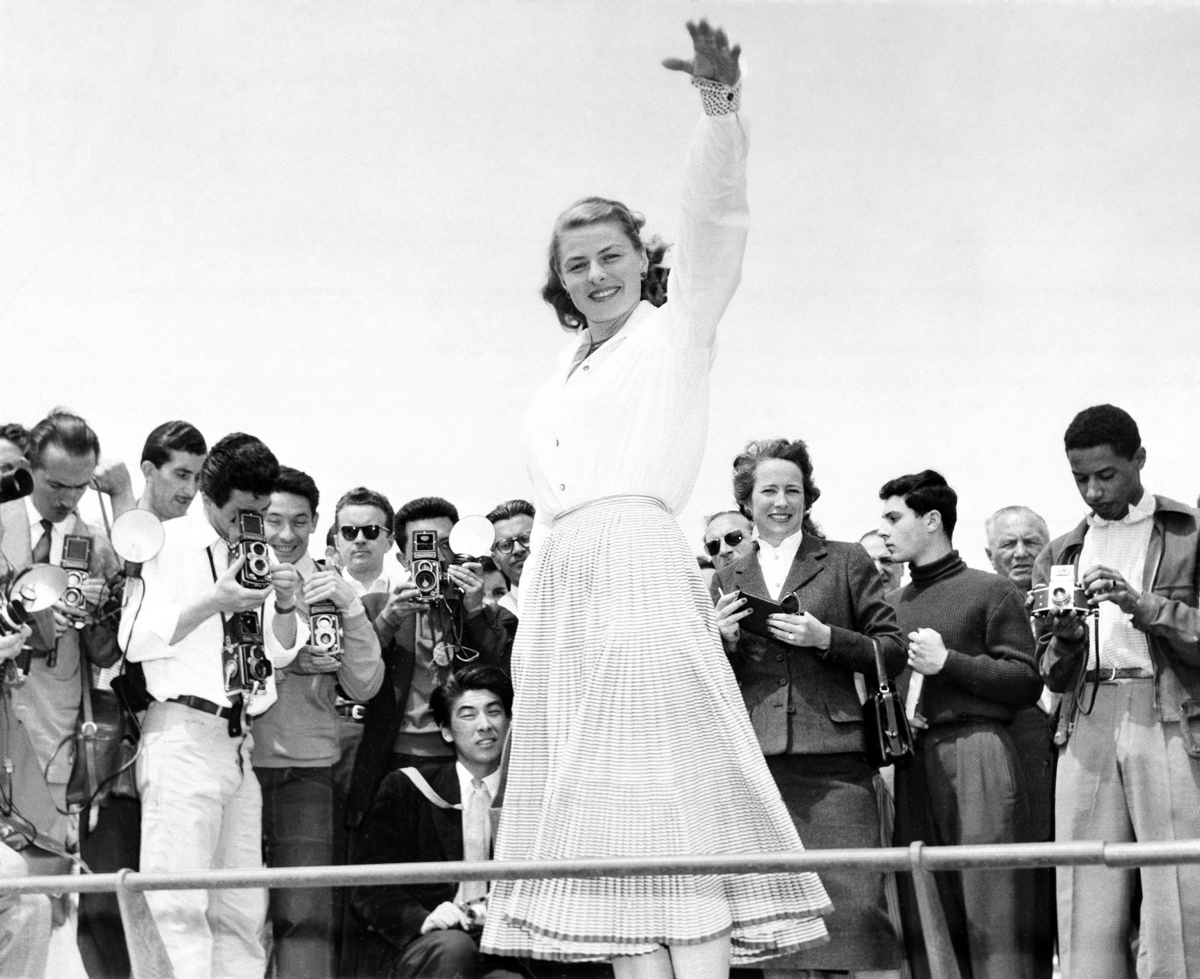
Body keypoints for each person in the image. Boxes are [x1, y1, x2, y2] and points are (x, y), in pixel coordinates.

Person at [482, 22, 832, 976]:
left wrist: (720, 113)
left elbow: (716, 222)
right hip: (562, 587)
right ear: (559, 282)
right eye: (577, 264)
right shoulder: (561, 369)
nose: (595, 275)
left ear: (642, 256)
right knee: (605, 829)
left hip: (637, 565)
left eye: (610, 255)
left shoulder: (678, 333)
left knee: (666, 799)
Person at [712, 439, 904, 979]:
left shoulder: (846, 560)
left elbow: (890, 649)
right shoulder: (727, 576)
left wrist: (827, 638)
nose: (780, 501)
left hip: (837, 763)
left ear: (808, 497)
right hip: (759, 768)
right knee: (778, 920)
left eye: (792, 490)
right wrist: (720, 644)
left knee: (856, 910)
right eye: (768, 490)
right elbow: (711, 682)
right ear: (747, 501)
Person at [122, 432, 304, 978]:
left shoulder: (258, 553)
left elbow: (279, 652)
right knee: (177, 910)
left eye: (261, 512)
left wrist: (288, 603)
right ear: (209, 493)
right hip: (181, 734)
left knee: (243, 913)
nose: (251, 524)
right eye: (242, 512)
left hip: (238, 741)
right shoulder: (165, 542)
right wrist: (214, 602)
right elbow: (133, 639)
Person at [1035, 404, 1200, 978]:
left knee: (1178, 890)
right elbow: (1049, 673)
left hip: (1168, 713)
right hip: (1086, 719)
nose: (1093, 491)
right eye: (1080, 478)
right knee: (1082, 892)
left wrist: (1144, 605)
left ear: (1139, 461)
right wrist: (1070, 638)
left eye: (1106, 475)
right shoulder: (1060, 552)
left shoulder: (1189, 533)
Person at [877, 471, 1041, 979]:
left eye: (893, 517)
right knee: (926, 908)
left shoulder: (990, 591)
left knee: (995, 907)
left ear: (930, 521)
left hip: (979, 754)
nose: (883, 531)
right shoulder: (891, 607)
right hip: (912, 763)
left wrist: (949, 662)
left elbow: (1025, 681)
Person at [254, 467, 384, 979]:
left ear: (315, 525)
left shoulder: (330, 587)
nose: (286, 535)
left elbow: (365, 685)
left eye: (300, 522)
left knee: (303, 915)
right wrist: (284, 660)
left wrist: (350, 608)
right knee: (235, 916)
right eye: (273, 520)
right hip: (237, 761)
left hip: (306, 767)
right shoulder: (233, 573)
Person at [349, 666, 521, 979]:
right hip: (431, 944)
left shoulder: (528, 799)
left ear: (509, 723)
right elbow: (368, 886)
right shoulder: (408, 789)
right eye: (468, 715)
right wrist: (422, 918)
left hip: (504, 946)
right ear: (445, 730)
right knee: (453, 948)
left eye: (494, 712)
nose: (484, 725)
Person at [983, 505, 1056, 979]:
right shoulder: (982, 605)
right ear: (988, 554)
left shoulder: (1070, 599)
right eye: (1008, 544)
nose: (1021, 553)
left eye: (1031, 542)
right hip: (1011, 750)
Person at [137, 420, 208, 521]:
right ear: (149, 471)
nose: (191, 491)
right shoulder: (110, 529)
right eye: (182, 475)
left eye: (198, 478)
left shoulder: (204, 535)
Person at [486, 500, 534, 617]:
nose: (518, 549)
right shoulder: (498, 616)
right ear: (496, 560)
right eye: (506, 545)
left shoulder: (575, 594)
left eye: (526, 538)